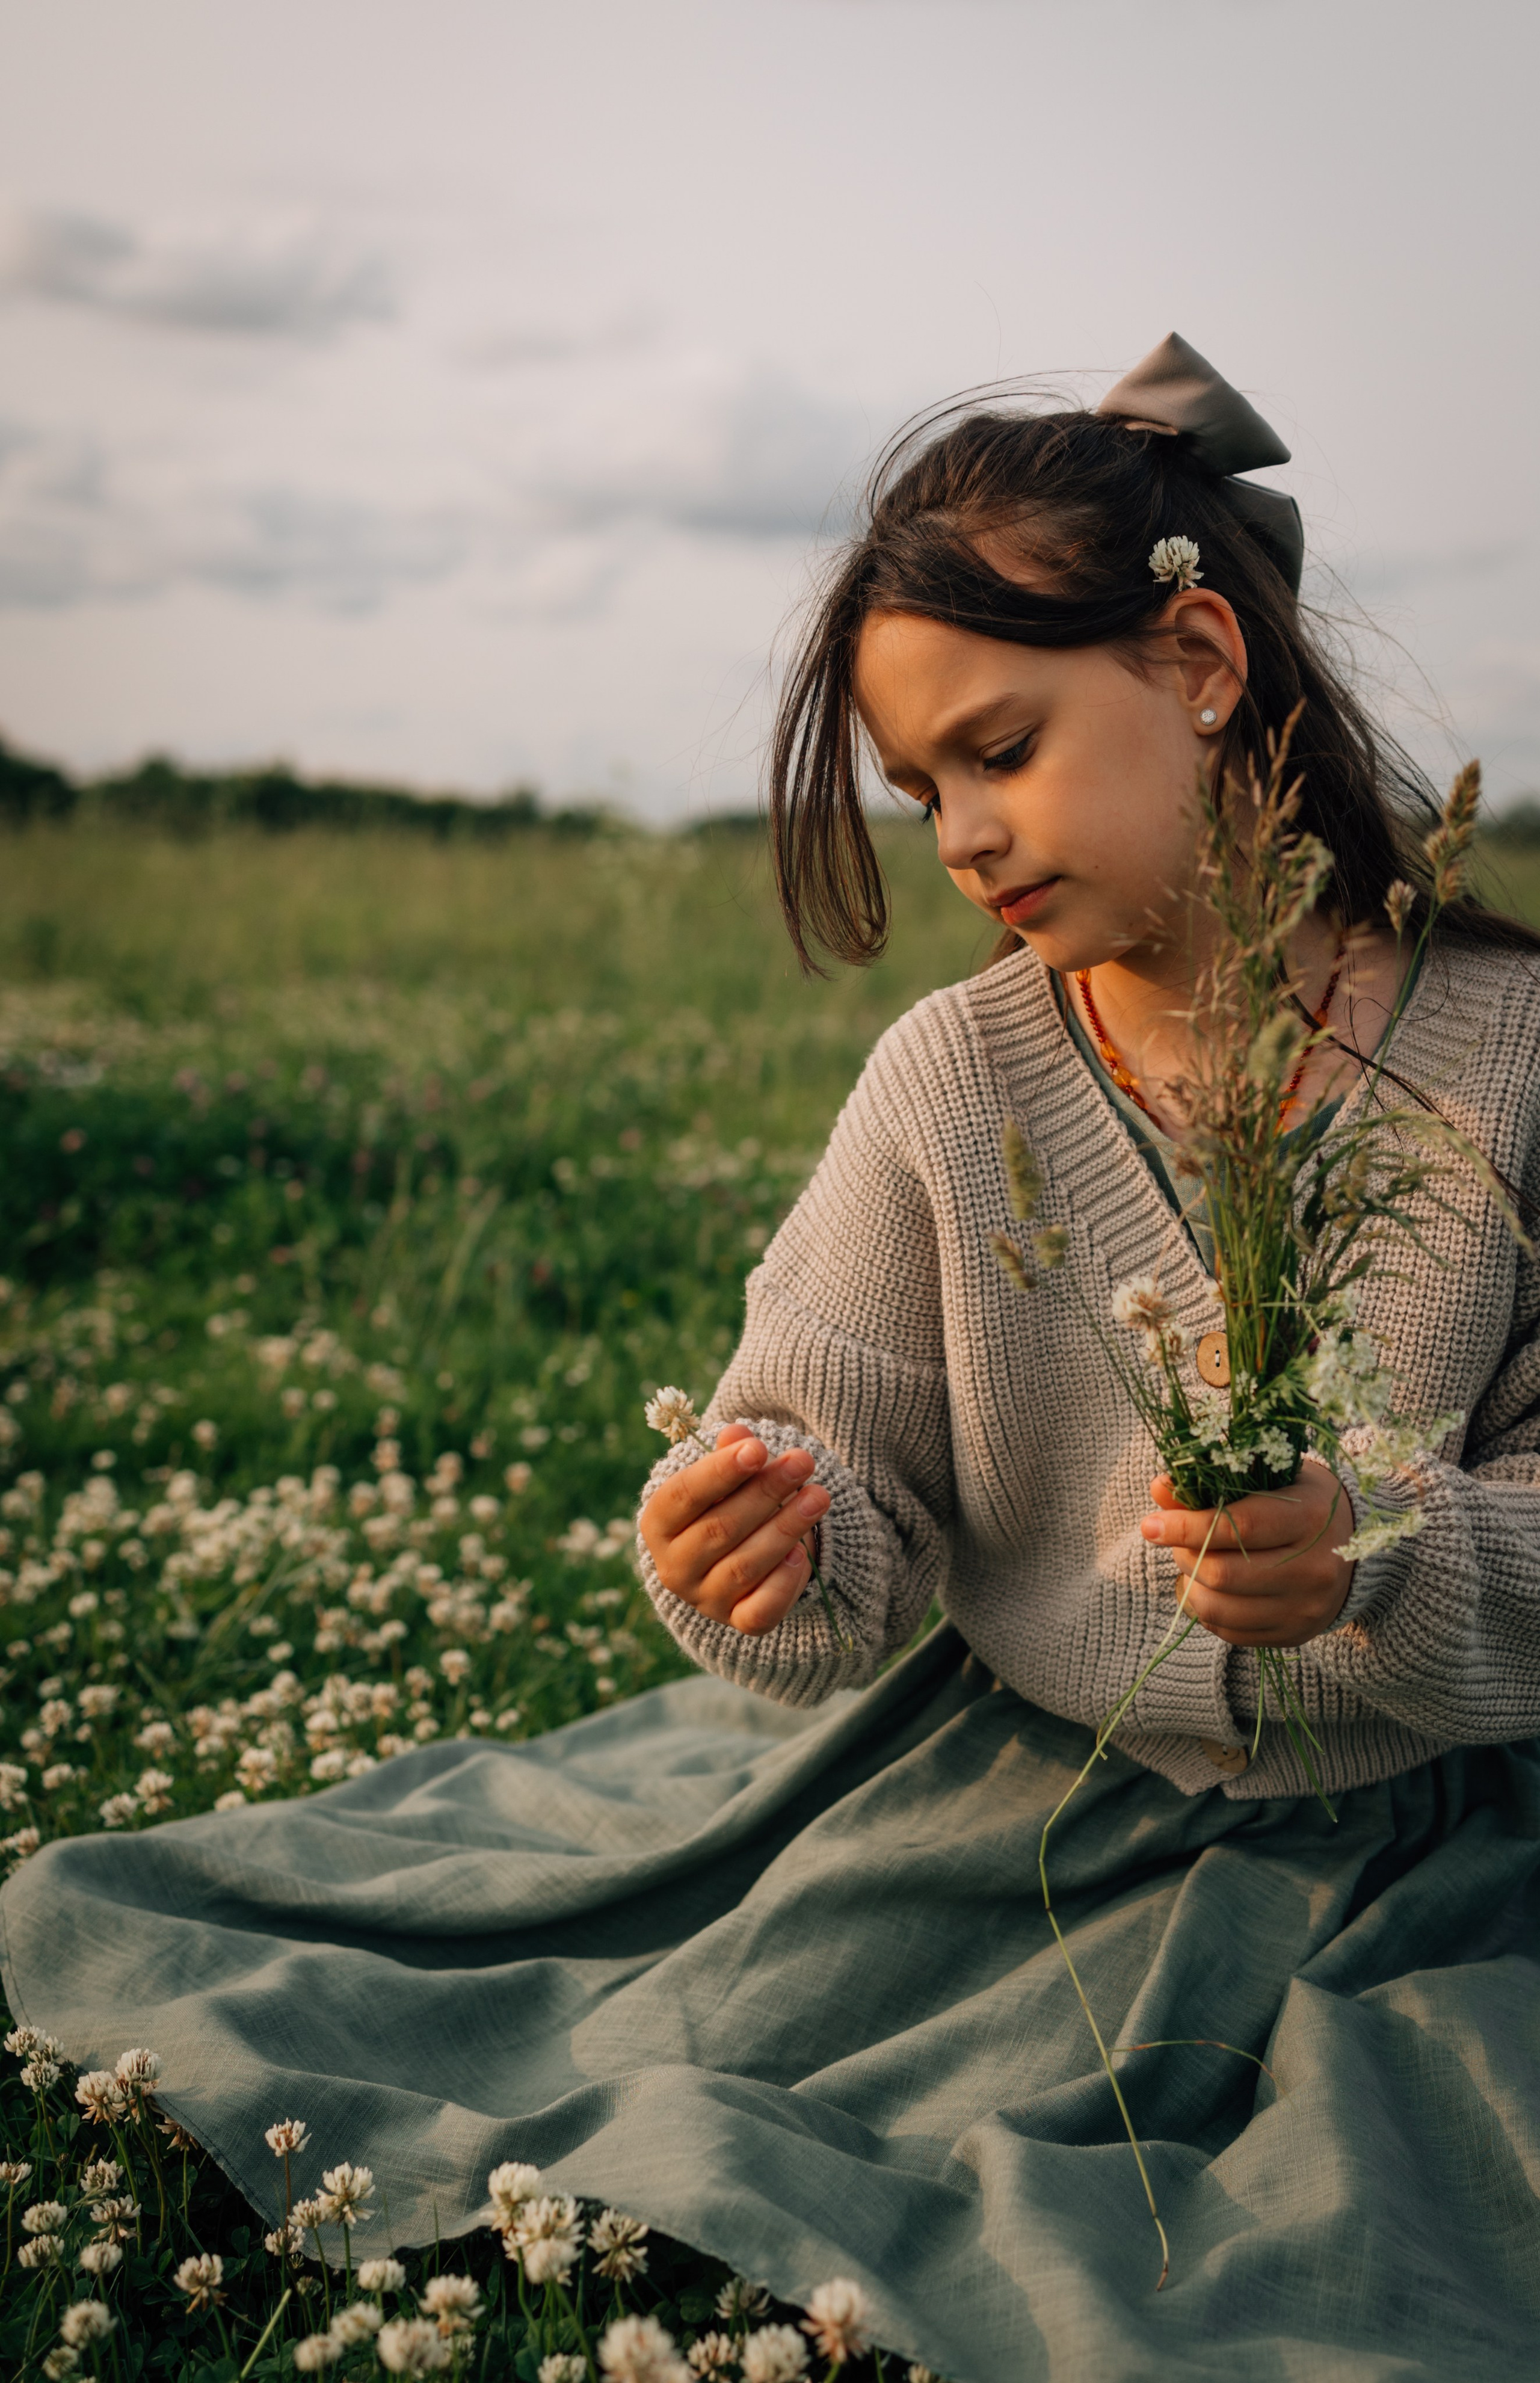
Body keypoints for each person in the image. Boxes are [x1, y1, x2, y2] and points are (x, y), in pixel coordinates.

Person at [8, 338, 1540, 2383]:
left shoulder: (1506, 1062)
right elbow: (840, 1463)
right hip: (1023, 1812)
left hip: (1441, 1837)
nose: (967, 837)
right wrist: (777, 1538)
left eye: (1003, 747)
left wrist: (1386, 1556)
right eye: (926, 792)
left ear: (1194, 657)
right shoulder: (953, 1073)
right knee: (653, 2059)